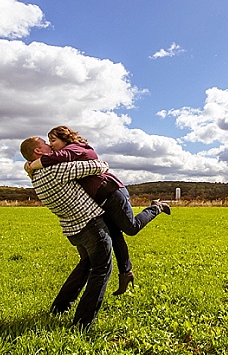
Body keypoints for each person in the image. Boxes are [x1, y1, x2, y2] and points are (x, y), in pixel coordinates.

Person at [25, 125, 170, 295]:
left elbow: (69, 157)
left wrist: (34, 164)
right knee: (115, 234)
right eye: (48, 142)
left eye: (53, 141)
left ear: (65, 139)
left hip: (111, 192)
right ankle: (126, 273)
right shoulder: (58, 158)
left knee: (131, 228)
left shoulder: (74, 149)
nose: (51, 146)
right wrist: (31, 165)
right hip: (99, 199)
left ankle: (156, 207)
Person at [20, 136, 112, 330]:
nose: (50, 145)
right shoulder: (55, 170)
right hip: (91, 225)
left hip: (73, 230)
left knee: (86, 265)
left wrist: (30, 165)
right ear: (38, 152)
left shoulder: (35, 175)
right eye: (46, 143)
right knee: (101, 270)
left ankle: (60, 307)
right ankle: (82, 323)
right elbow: (98, 166)